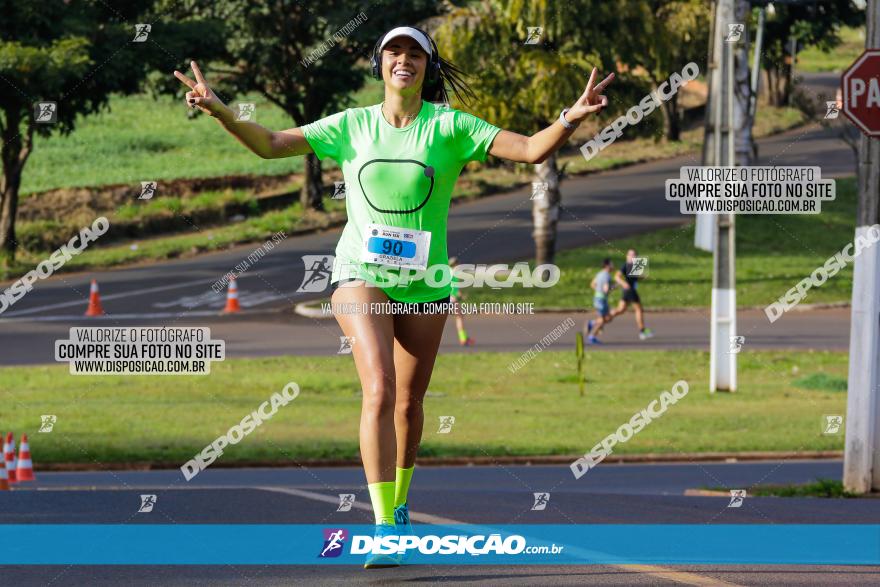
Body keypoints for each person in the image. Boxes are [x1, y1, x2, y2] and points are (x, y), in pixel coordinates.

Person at [174, 24, 613, 569]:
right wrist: (219, 109)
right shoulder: (352, 125)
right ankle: (384, 525)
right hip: (362, 275)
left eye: (414, 53)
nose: (403, 60)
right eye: (393, 52)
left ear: (427, 66)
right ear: (380, 64)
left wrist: (571, 117)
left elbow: (527, 150)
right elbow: (270, 145)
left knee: (409, 403)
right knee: (379, 389)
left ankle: (399, 506)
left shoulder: (449, 127)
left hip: (427, 284)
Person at [609, 249, 653, 340]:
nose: (632, 256)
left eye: (634, 255)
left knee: (620, 310)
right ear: (627, 256)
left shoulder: (634, 266)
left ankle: (597, 322)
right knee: (639, 310)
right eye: (630, 255)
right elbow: (616, 276)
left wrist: (643, 276)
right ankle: (642, 332)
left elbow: (635, 278)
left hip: (627, 291)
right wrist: (624, 284)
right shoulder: (626, 265)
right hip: (630, 290)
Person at [585, 258, 614, 345]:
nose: (613, 266)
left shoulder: (599, 273)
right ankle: (592, 337)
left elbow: (592, 284)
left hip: (599, 298)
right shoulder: (607, 275)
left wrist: (598, 291)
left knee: (608, 318)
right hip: (601, 300)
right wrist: (612, 288)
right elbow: (606, 289)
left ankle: (591, 323)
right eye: (612, 264)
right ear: (607, 265)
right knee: (602, 320)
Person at [448, 256, 473, 346]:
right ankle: (463, 338)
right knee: (459, 317)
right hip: (452, 299)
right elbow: (455, 290)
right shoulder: (455, 273)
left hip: (443, 299)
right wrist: (462, 297)